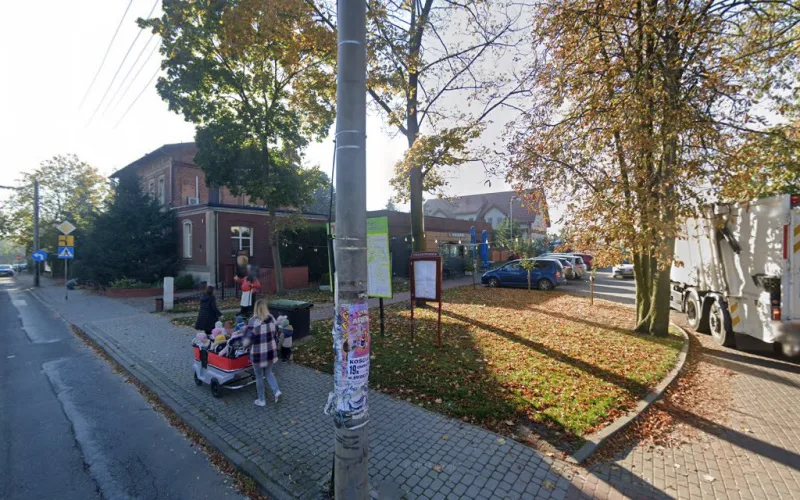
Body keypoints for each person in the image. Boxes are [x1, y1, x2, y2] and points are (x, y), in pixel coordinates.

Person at [249, 300, 281, 406]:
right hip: (270, 352)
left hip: (257, 354)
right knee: (268, 373)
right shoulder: (271, 318)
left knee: (259, 376)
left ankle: (261, 400)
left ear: (255, 308)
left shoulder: (252, 322)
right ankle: (277, 391)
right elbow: (276, 335)